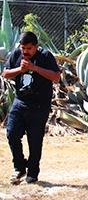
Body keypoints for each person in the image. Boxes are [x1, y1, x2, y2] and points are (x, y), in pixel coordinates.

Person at [2, 31, 61, 184]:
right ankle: (19, 167)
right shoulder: (16, 55)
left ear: (36, 47)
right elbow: (6, 73)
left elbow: (56, 77)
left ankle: (33, 172)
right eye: (23, 48)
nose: (25, 52)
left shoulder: (46, 56)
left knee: (35, 141)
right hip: (20, 101)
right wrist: (20, 70)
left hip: (40, 105)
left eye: (29, 48)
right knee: (12, 133)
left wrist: (35, 68)